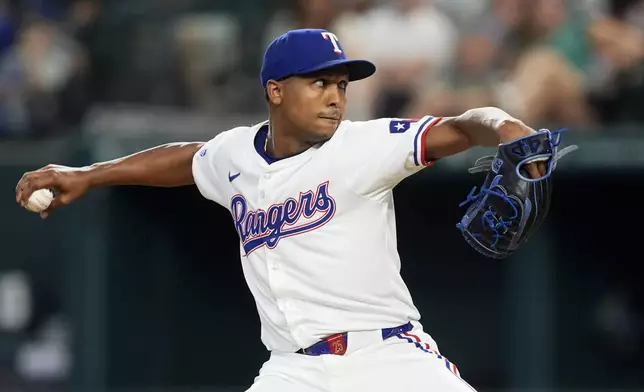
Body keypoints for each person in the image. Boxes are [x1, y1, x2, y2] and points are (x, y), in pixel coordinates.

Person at [15, 29, 546, 392]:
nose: (336, 97)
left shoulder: (364, 145)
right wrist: (89, 174)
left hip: (386, 357)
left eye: (341, 85)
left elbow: (459, 125)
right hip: (294, 372)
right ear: (275, 90)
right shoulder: (235, 154)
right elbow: (185, 159)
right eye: (319, 83)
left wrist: (504, 127)